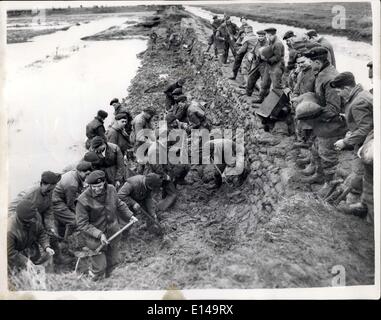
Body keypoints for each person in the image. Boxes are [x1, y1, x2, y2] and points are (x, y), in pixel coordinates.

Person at [299, 47, 347, 198]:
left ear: (318, 62)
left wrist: (312, 112)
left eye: (310, 61)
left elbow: (333, 109)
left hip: (331, 125)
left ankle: (330, 185)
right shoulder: (321, 72)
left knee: (328, 157)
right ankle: (318, 174)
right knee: (316, 149)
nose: (309, 64)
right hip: (321, 121)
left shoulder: (330, 78)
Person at [76, 170, 137, 281]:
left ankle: (110, 282)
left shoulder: (111, 189)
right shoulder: (82, 200)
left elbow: (119, 203)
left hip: (113, 233)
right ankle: (92, 281)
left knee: (113, 262)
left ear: (104, 182)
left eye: (99, 185)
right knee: (100, 268)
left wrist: (130, 215)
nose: (96, 189)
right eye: (93, 186)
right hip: (94, 239)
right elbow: (82, 224)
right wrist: (99, 235)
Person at [331, 72, 373, 205]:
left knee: (359, 174)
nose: (338, 95)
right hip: (364, 141)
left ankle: (359, 203)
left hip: (367, 143)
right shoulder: (360, 94)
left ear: (347, 89)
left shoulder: (358, 102)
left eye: (339, 91)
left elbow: (365, 129)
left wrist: (345, 142)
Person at [8, 199, 55, 271]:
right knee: (16, 275)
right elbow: (10, 253)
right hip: (13, 257)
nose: (33, 221)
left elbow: (41, 233)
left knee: (38, 263)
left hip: (28, 249)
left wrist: (46, 246)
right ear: (22, 218)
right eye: (29, 219)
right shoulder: (9, 229)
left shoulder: (33, 217)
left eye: (33, 218)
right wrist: (28, 263)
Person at [52, 161, 93, 238]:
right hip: (56, 201)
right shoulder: (72, 184)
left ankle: (61, 237)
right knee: (75, 221)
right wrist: (80, 214)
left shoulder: (75, 172)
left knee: (64, 219)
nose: (88, 176)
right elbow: (70, 204)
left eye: (89, 174)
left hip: (61, 196)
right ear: (79, 172)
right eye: (86, 174)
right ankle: (67, 241)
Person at [252, 27, 285, 103]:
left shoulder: (278, 44)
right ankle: (261, 98)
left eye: (268, 36)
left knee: (276, 85)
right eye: (267, 36)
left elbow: (277, 57)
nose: (268, 37)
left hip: (277, 66)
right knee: (264, 82)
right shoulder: (271, 42)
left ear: (272, 35)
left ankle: (276, 103)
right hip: (269, 65)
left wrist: (265, 59)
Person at [246, 30, 268, 96]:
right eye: (259, 36)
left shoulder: (268, 44)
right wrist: (250, 55)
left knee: (264, 81)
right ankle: (248, 93)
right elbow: (252, 51)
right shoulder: (257, 42)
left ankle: (262, 97)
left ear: (265, 36)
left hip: (264, 64)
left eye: (262, 36)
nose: (260, 37)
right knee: (251, 77)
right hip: (256, 63)